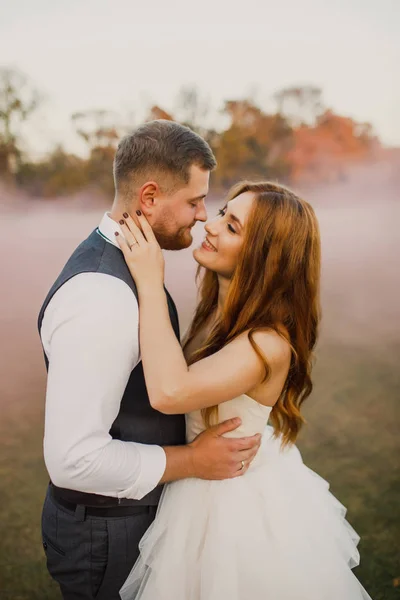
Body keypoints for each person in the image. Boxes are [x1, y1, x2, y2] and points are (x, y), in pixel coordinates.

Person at [116, 181, 373, 600]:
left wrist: (148, 280)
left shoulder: (265, 343)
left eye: (232, 227)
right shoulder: (218, 314)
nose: (211, 226)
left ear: (264, 259)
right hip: (203, 479)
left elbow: (168, 391)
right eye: (222, 213)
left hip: (231, 508)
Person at [38, 120, 262, 600]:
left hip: (123, 520)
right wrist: (193, 460)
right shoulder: (101, 297)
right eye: (194, 201)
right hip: (106, 534)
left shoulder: (131, 267)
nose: (203, 216)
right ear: (150, 197)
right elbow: (73, 461)